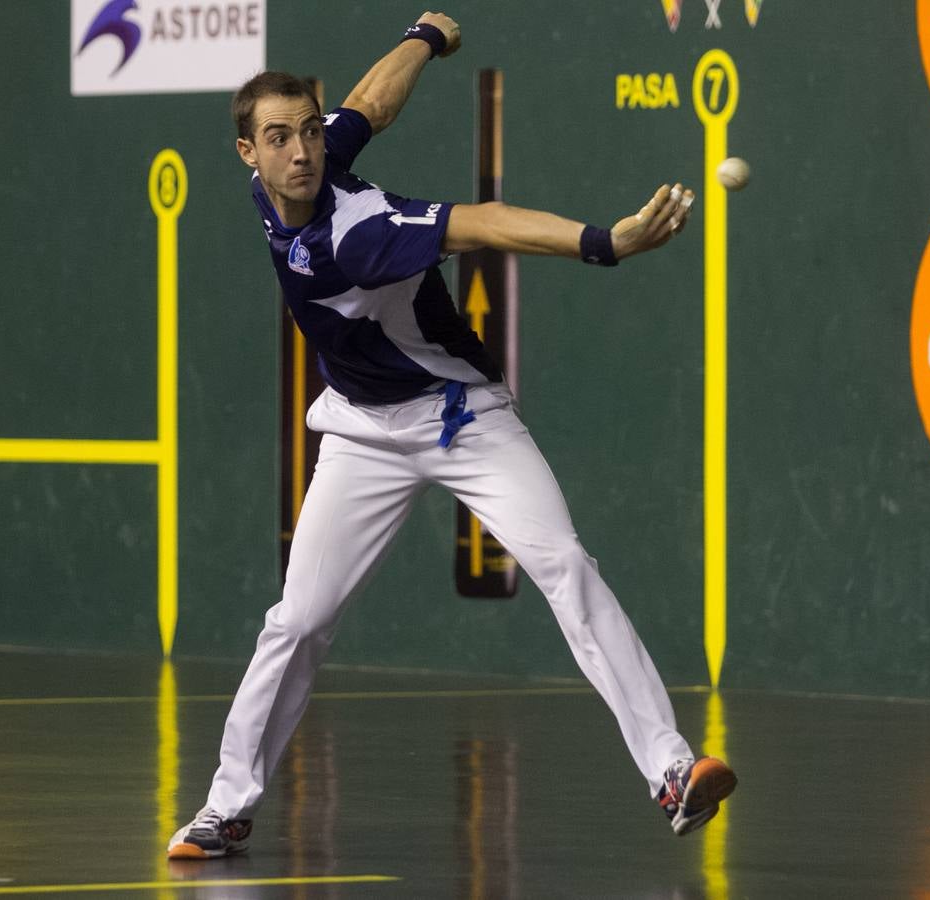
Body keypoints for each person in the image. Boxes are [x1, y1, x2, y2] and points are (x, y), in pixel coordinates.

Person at [167, 11, 736, 859]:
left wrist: (603, 244)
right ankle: (225, 808)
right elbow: (370, 104)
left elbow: (483, 223)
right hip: (361, 433)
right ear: (248, 154)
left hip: (462, 418)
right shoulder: (281, 191)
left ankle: (670, 771)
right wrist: (424, 35)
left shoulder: (355, 231)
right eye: (280, 138)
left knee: (565, 566)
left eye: (311, 135)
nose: (304, 151)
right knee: (298, 621)